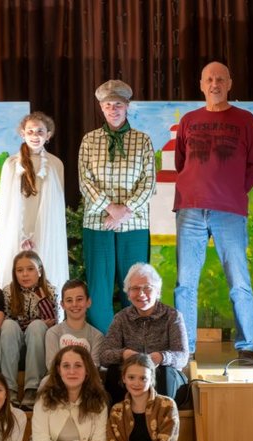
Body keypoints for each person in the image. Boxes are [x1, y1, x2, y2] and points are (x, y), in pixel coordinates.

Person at [173, 61, 253, 361]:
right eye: (209, 79)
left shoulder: (246, 120)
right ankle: (186, 350)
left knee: (239, 281)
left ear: (229, 84)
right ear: (201, 85)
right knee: (185, 285)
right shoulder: (189, 120)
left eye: (220, 79)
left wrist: (234, 192)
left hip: (230, 212)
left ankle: (246, 348)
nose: (215, 84)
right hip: (190, 210)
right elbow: (181, 162)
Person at [78, 79, 156, 334]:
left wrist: (125, 211)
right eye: (108, 105)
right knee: (99, 288)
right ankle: (104, 345)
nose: (113, 109)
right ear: (101, 108)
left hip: (134, 224)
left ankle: (134, 342)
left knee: (135, 286)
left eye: (118, 105)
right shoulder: (89, 141)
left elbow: (148, 183)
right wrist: (111, 208)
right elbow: (85, 181)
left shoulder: (142, 141)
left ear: (127, 107)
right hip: (98, 222)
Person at [0, 111, 69, 293]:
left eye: (40, 132)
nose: (35, 136)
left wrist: (37, 235)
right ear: (23, 134)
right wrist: (21, 235)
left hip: (46, 230)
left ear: (48, 135)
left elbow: (56, 208)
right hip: (16, 231)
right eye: (30, 132)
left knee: (45, 270)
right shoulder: (10, 164)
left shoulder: (56, 164)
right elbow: (6, 207)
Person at [99, 263, 189, 403]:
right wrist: (124, 354)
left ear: (158, 292)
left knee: (166, 374)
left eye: (147, 288)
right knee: (114, 372)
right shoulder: (121, 318)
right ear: (128, 294)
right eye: (135, 288)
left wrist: (161, 357)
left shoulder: (173, 316)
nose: (141, 294)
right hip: (132, 378)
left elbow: (182, 356)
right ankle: (120, 414)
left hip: (163, 379)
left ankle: (162, 414)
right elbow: (104, 356)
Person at [1, 250, 58, 410]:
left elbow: (52, 322)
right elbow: (7, 321)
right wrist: (35, 322)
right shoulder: (8, 292)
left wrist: (42, 300)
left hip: (38, 347)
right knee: (8, 325)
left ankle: (32, 390)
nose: (25, 274)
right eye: (20, 270)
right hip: (14, 347)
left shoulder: (50, 291)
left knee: (37, 326)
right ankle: (9, 389)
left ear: (39, 271)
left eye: (30, 269)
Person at [45, 279, 103, 369]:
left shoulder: (97, 336)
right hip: (58, 377)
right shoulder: (53, 333)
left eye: (79, 299)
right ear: (62, 305)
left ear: (88, 302)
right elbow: (52, 366)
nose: (74, 304)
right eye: (69, 300)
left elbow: (93, 367)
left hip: (86, 377)